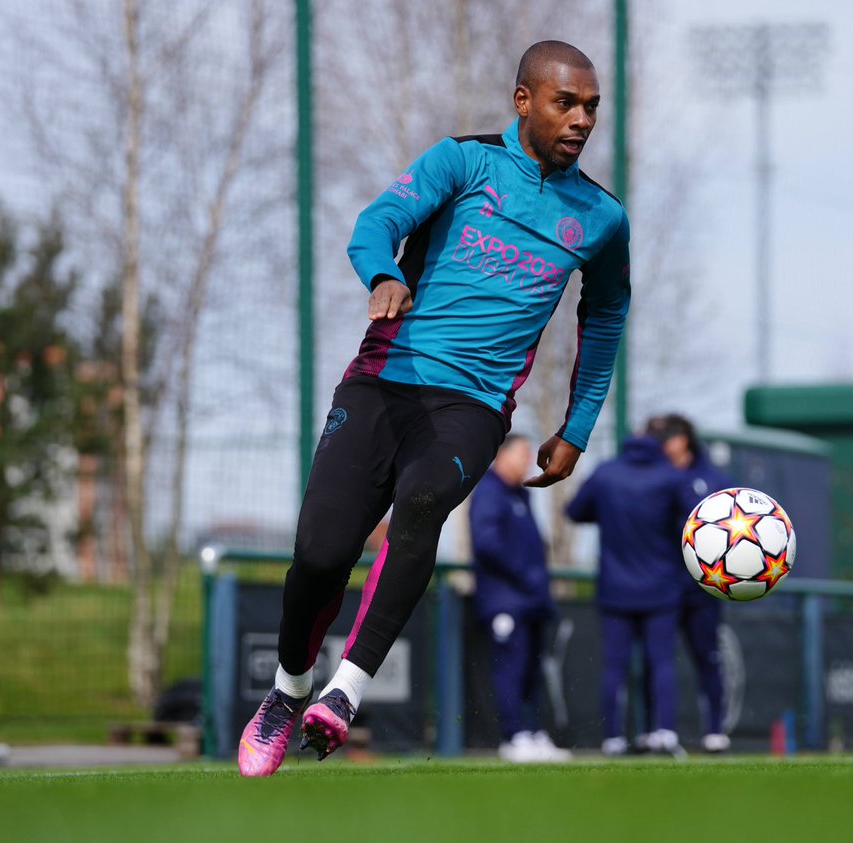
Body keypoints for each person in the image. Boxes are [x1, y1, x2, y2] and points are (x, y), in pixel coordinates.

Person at [237, 40, 630, 777]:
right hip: (381, 383)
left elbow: (605, 319)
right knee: (320, 553)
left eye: (591, 107)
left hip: (473, 406)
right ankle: (289, 690)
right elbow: (377, 221)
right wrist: (383, 274)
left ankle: (346, 691)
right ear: (523, 101)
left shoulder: (603, 218)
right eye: (565, 103)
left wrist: (576, 428)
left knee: (422, 504)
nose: (581, 119)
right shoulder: (463, 162)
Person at [566, 429, 687, 758]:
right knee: (661, 662)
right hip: (662, 587)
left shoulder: (605, 473)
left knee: (614, 666)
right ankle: (664, 733)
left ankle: (613, 738)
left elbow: (575, 511)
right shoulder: (671, 477)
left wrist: (607, 513)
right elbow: (690, 527)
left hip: (615, 588)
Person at [469, 434, 570, 762]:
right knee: (510, 669)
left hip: (531, 601)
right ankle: (513, 737)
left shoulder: (521, 495)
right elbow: (487, 544)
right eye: (523, 454)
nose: (528, 461)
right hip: (504, 601)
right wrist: (525, 573)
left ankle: (533, 732)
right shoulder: (489, 491)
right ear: (502, 456)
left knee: (532, 671)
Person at [648, 413, 734, 753]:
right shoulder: (654, 476)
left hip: (702, 588)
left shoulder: (712, 478)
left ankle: (714, 730)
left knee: (708, 657)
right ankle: (658, 730)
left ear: (682, 440)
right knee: (657, 661)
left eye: (667, 438)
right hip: (662, 585)